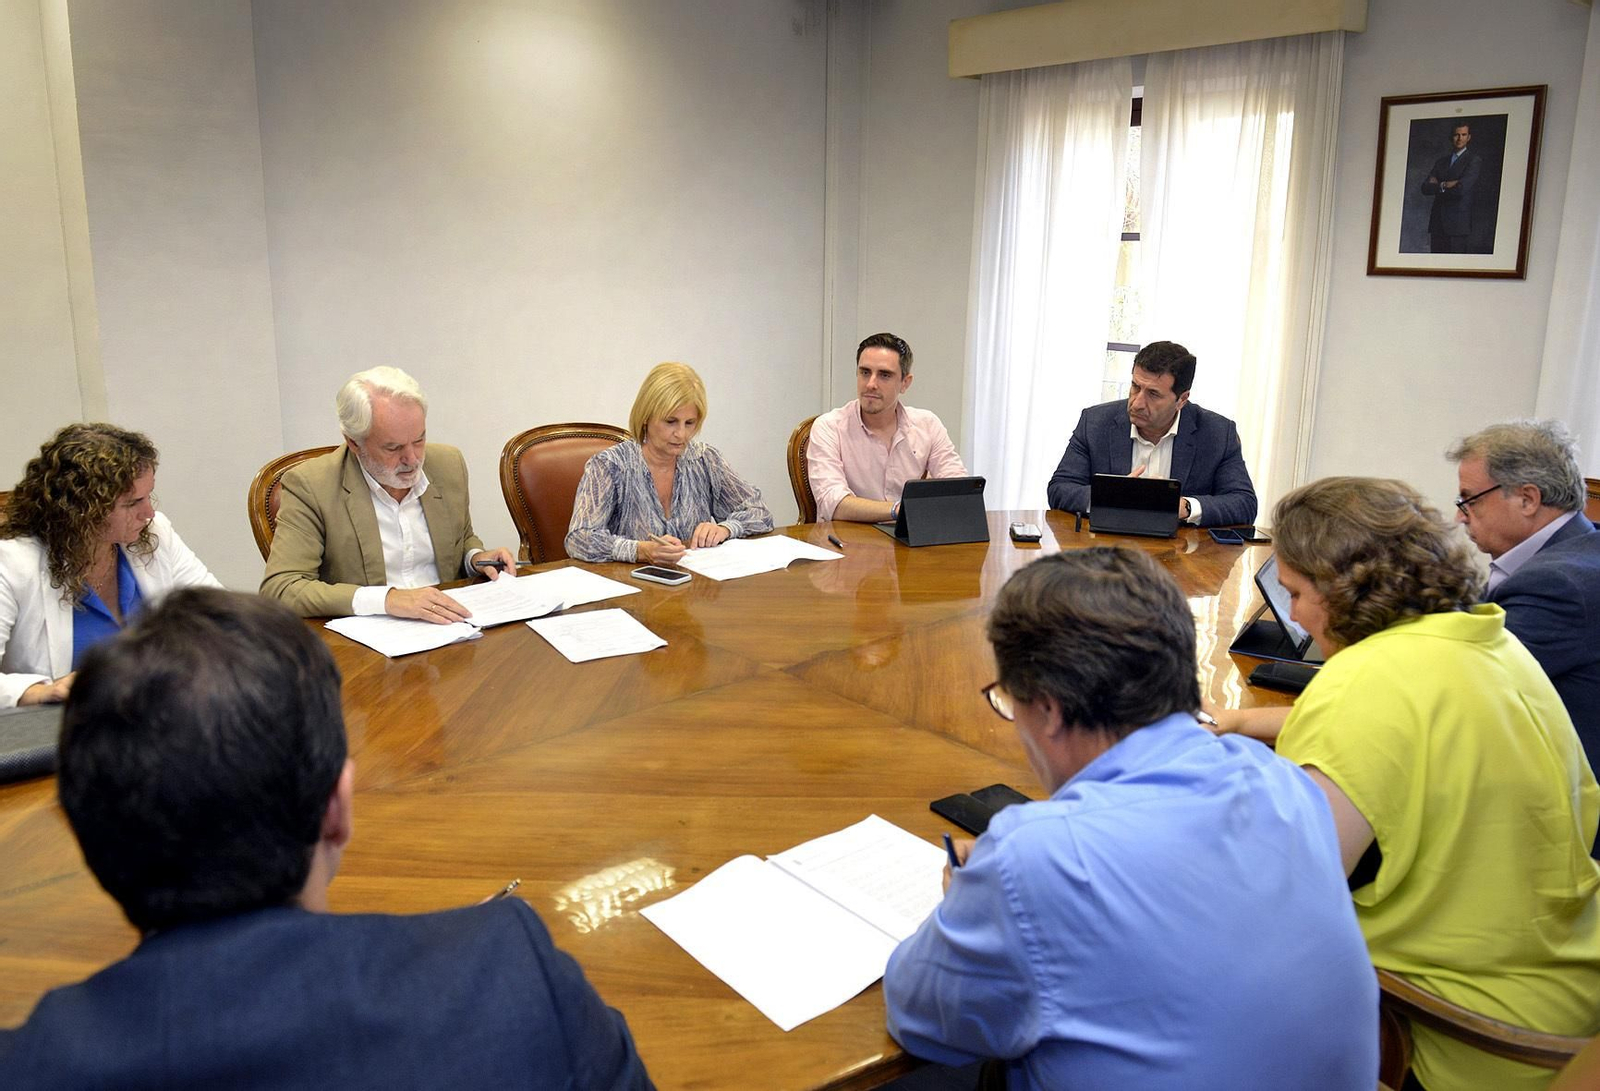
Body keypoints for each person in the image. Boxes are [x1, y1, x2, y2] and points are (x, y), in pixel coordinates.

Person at [0, 588, 652, 1088]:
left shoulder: (28, 1064)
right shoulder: (511, 971)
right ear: (336, 808)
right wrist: (455, 957)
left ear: (89, 834)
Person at [883, 548, 1376, 1090]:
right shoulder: (1285, 785)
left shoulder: (1035, 857)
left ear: (1048, 709)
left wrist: (971, 898)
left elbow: (917, 1018)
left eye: (1009, 701)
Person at [1216, 477, 1600, 1091]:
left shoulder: (1361, 685)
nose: (1292, 615)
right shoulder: (1488, 642)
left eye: (1295, 592)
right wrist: (1237, 722)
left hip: (1458, 1038)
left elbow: (1282, 904)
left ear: (1343, 589)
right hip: (1563, 996)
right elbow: (1410, 734)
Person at [261, 366, 517, 622]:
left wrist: (476, 558)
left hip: (451, 629)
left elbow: (462, 539)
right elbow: (282, 588)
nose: (412, 459)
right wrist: (387, 599)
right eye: (393, 448)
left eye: (419, 439)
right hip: (368, 643)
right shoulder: (312, 486)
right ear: (353, 442)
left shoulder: (448, 465)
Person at [0, 423, 218, 708]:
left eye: (148, 496)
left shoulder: (155, 533)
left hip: (160, 716)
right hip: (66, 732)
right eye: (132, 503)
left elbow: (216, 619)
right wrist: (39, 692)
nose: (149, 512)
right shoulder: (12, 561)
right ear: (82, 510)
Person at [1447, 419, 1600, 781]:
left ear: (1528, 499)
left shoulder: (1558, 584)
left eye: (1468, 500)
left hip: (1561, 813)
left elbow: (1460, 689)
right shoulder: (1574, 550)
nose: (1459, 516)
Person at [565, 362, 773, 563]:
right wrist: (640, 550)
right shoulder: (609, 466)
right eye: (670, 422)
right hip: (631, 589)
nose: (681, 434)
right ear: (646, 416)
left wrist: (726, 528)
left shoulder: (704, 459)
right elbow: (579, 539)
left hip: (693, 587)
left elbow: (760, 512)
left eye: (689, 423)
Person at [1045, 340, 1256, 527]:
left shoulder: (1217, 433)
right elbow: (1060, 488)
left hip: (1183, 559)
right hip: (1106, 555)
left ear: (1181, 400)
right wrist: (1111, 496)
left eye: (1153, 394)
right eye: (1135, 387)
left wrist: (1184, 507)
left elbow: (1244, 503)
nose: (1137, 403)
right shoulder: (1095, 422)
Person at [805, 333, 967, 523]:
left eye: (884, 375)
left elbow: (959, 491)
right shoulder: (829, 427)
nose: (871, 384)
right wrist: (899, 510)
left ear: (905, 383)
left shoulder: (927, 425)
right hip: (847, 544)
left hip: (908, 543)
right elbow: (833, 503)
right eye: (865, 372)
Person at [1420, 123, 1482, 254]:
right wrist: (1445, 185)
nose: (1459, 138)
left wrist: (1437, 185)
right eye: (1456, 135)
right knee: (1434, 267)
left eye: (1463, 135)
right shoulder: (1441, 162)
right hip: (1437, 223)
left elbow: (1460, 190)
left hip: (1457, 226)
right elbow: (1425, 188)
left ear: (1469, 137)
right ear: (1451, 137)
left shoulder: (1473, 160)